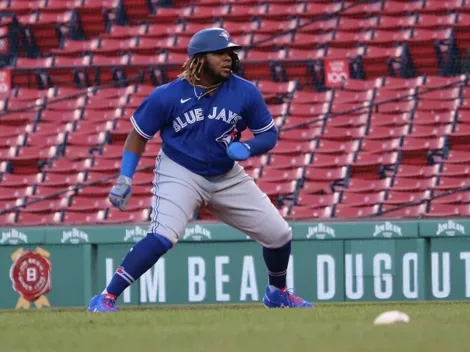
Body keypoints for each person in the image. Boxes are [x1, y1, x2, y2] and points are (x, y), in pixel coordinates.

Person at [87, 27, 313, 312]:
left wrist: (249, 148)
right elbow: (138, 135)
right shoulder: (167, 95)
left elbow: (268, 135)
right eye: (220, 53)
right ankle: (106, 297)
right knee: (163, 236)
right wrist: (125, 176)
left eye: (230, 53)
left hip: (226, 175)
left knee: (279, 235)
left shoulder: (245, 91)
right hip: (180, 171)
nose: (228, 58)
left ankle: (277, 293)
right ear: (199, 59)